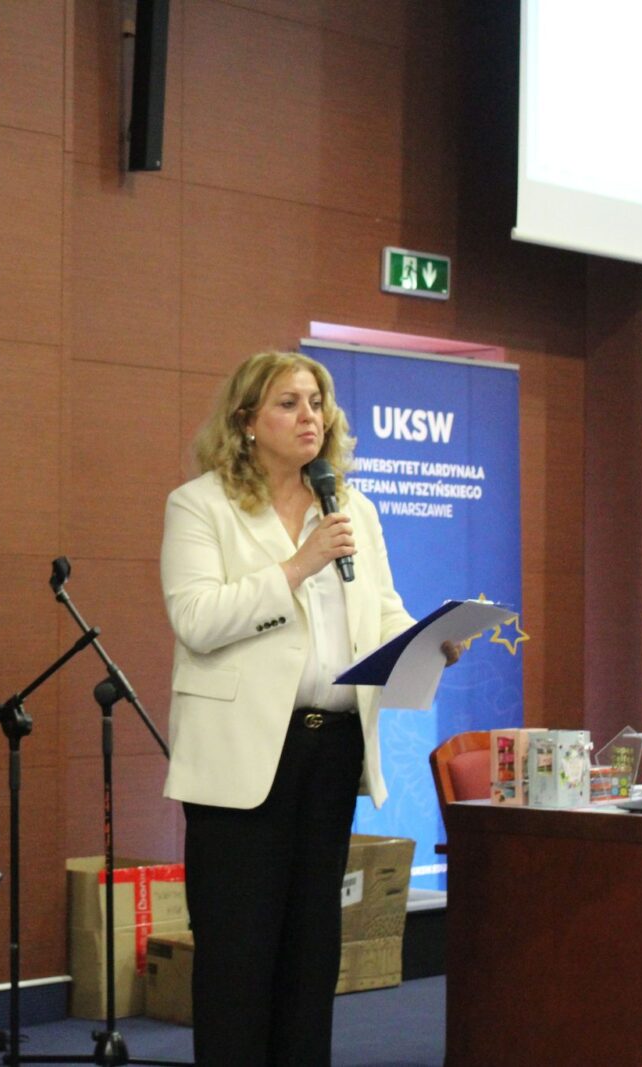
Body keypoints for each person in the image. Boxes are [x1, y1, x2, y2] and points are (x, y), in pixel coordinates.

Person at [160, 350, 459, 1066]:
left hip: (332, 748)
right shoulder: (200, 504)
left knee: (311, 947)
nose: (309, 417)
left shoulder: (352, 506)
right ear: (246, 421)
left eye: (317, 403)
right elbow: (196, 619)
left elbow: (380, 610)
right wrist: (298, 566)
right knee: (238, 950)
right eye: (289, 403)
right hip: (241, 757)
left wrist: (427, 641)